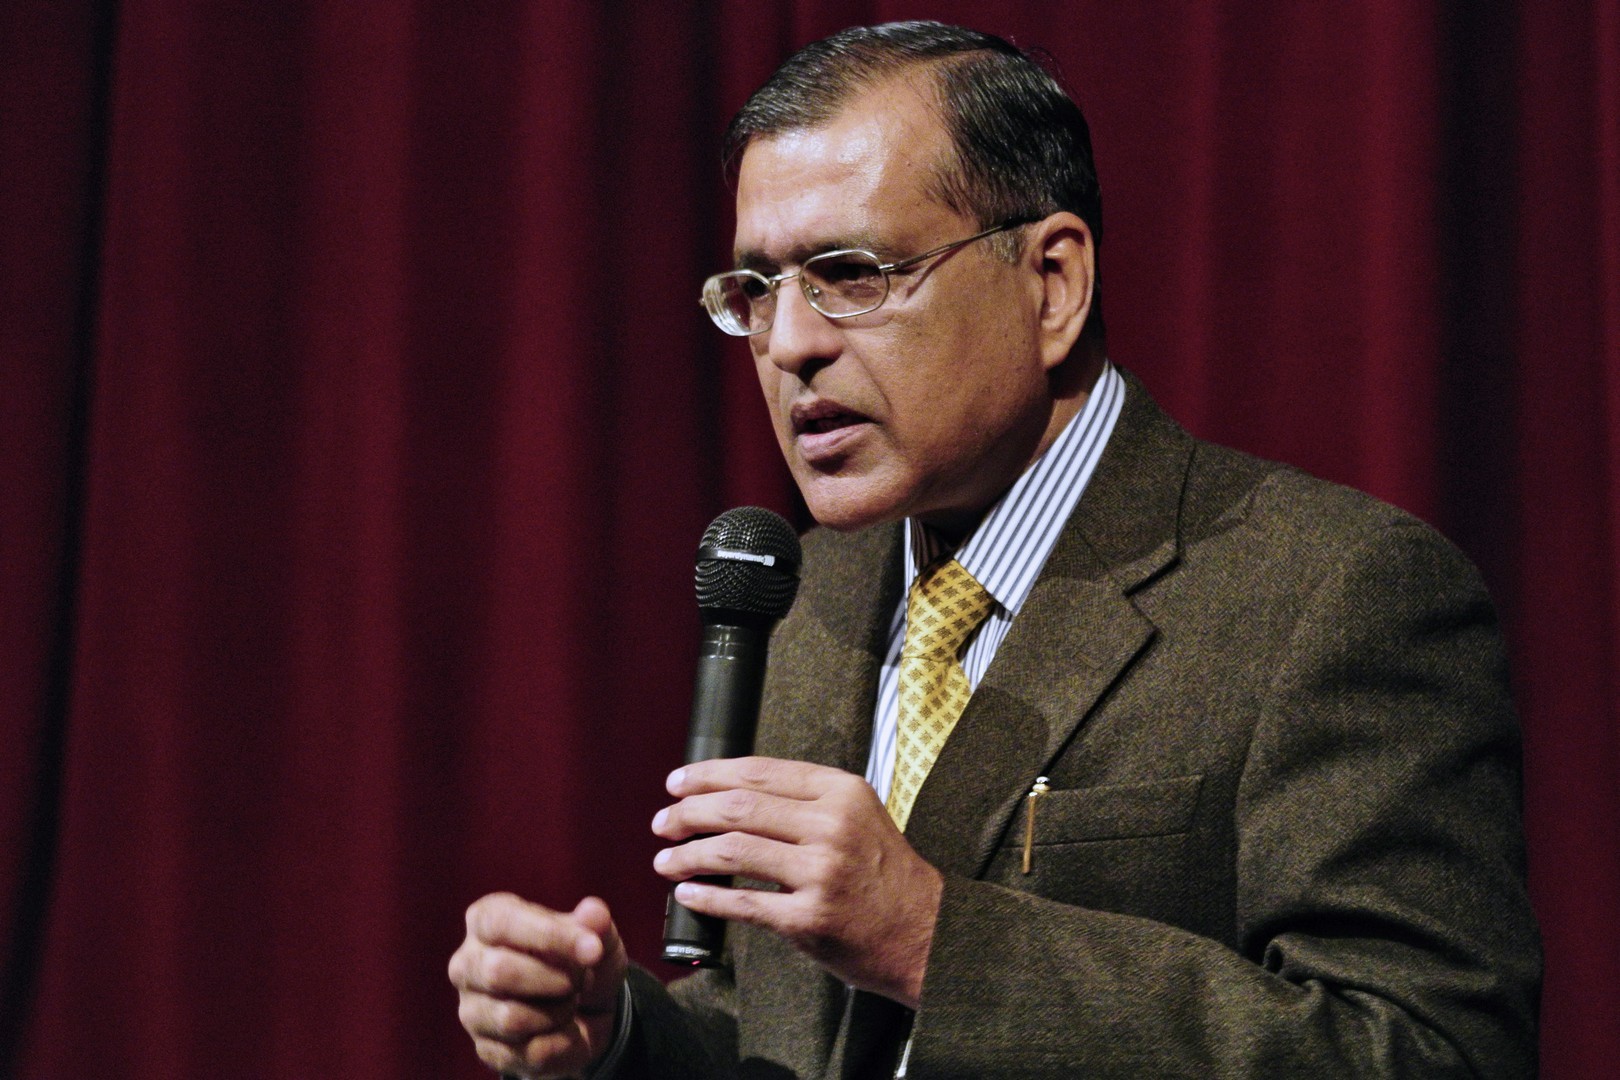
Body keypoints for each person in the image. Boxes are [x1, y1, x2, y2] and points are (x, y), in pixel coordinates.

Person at [448, 21, 1540, 1079]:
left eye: (851, 273)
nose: (791, 345)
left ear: (1052, 282)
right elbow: (794, 1034)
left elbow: (1430, 1051)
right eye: (758, 291)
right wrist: (619, 1041)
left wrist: (935, 942)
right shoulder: (812, 597)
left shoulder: (1334, 592)